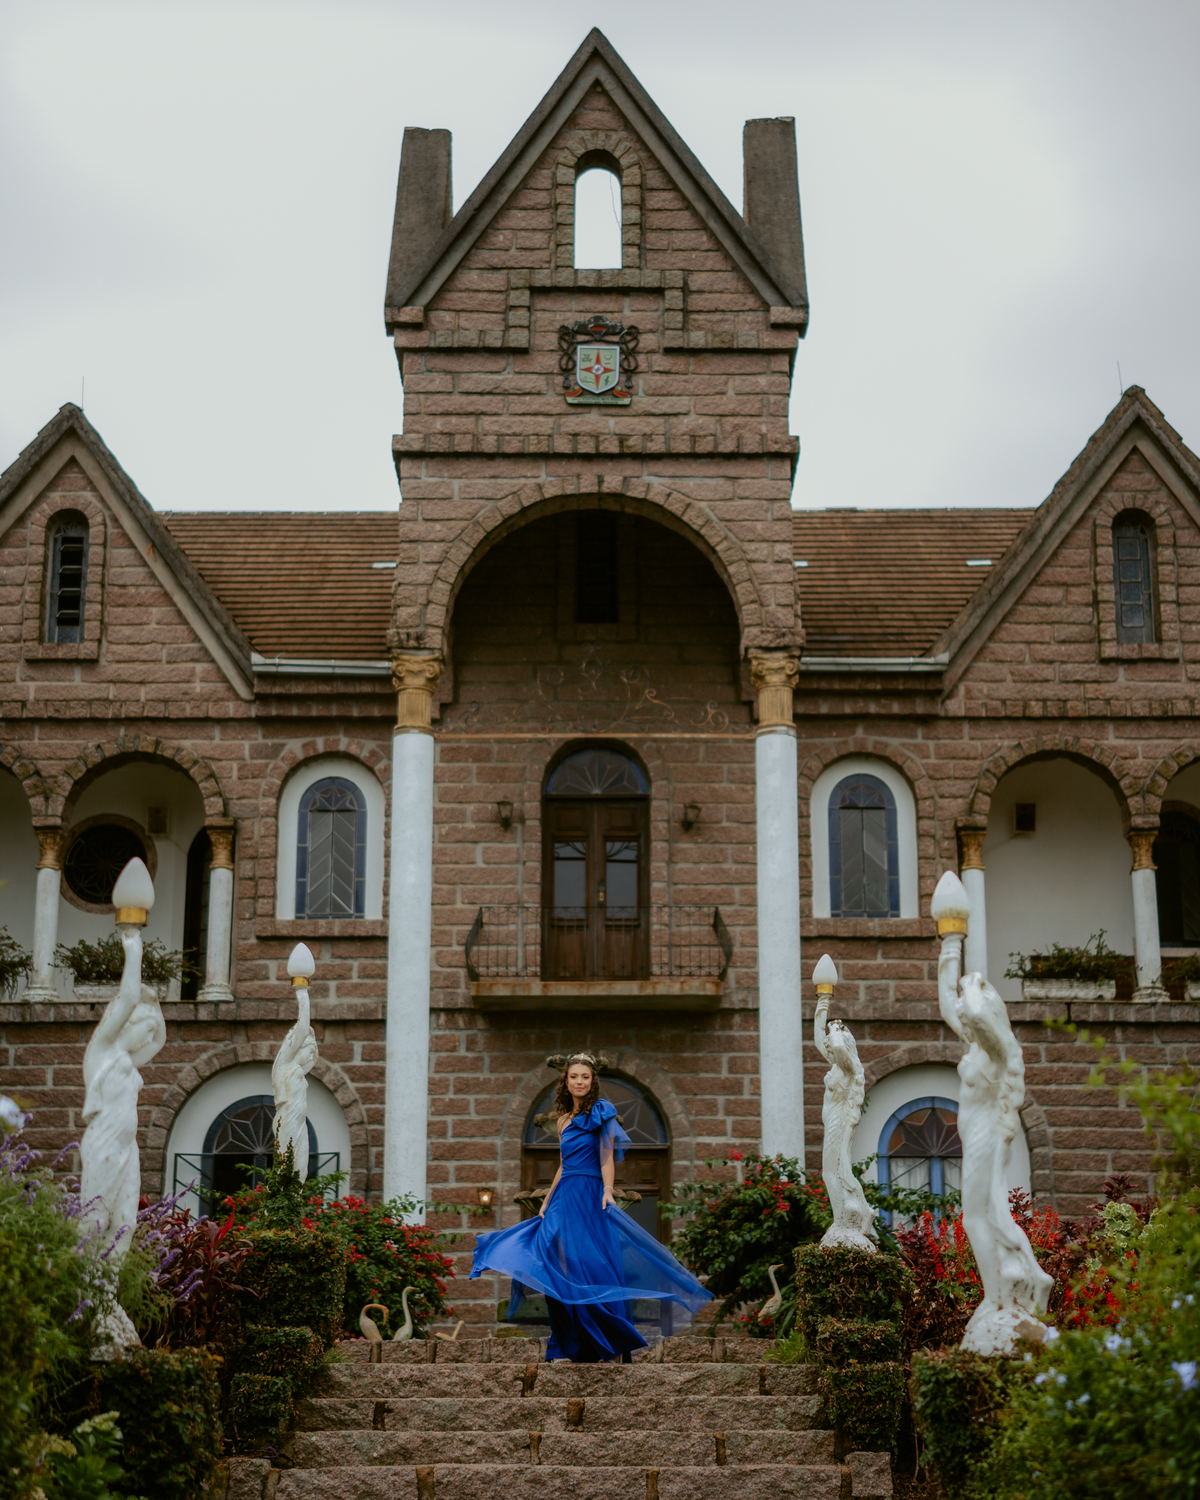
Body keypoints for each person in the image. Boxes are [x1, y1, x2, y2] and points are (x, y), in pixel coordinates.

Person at [470, 1052, 711, 1362]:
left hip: (589, 1192)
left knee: (591, 1265)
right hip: (563, 1195)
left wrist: (608, 1191)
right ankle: (563, 1344)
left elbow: (607, 1157)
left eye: (585, 1076)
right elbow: (562, 1164)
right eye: (574, 1077)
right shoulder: (561, 1120)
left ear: (592, 1081)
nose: (579, 1081)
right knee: (551, 1261)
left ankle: (601, 1340)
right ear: (566, 1082)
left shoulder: (602, 1112)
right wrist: (546, 1198)